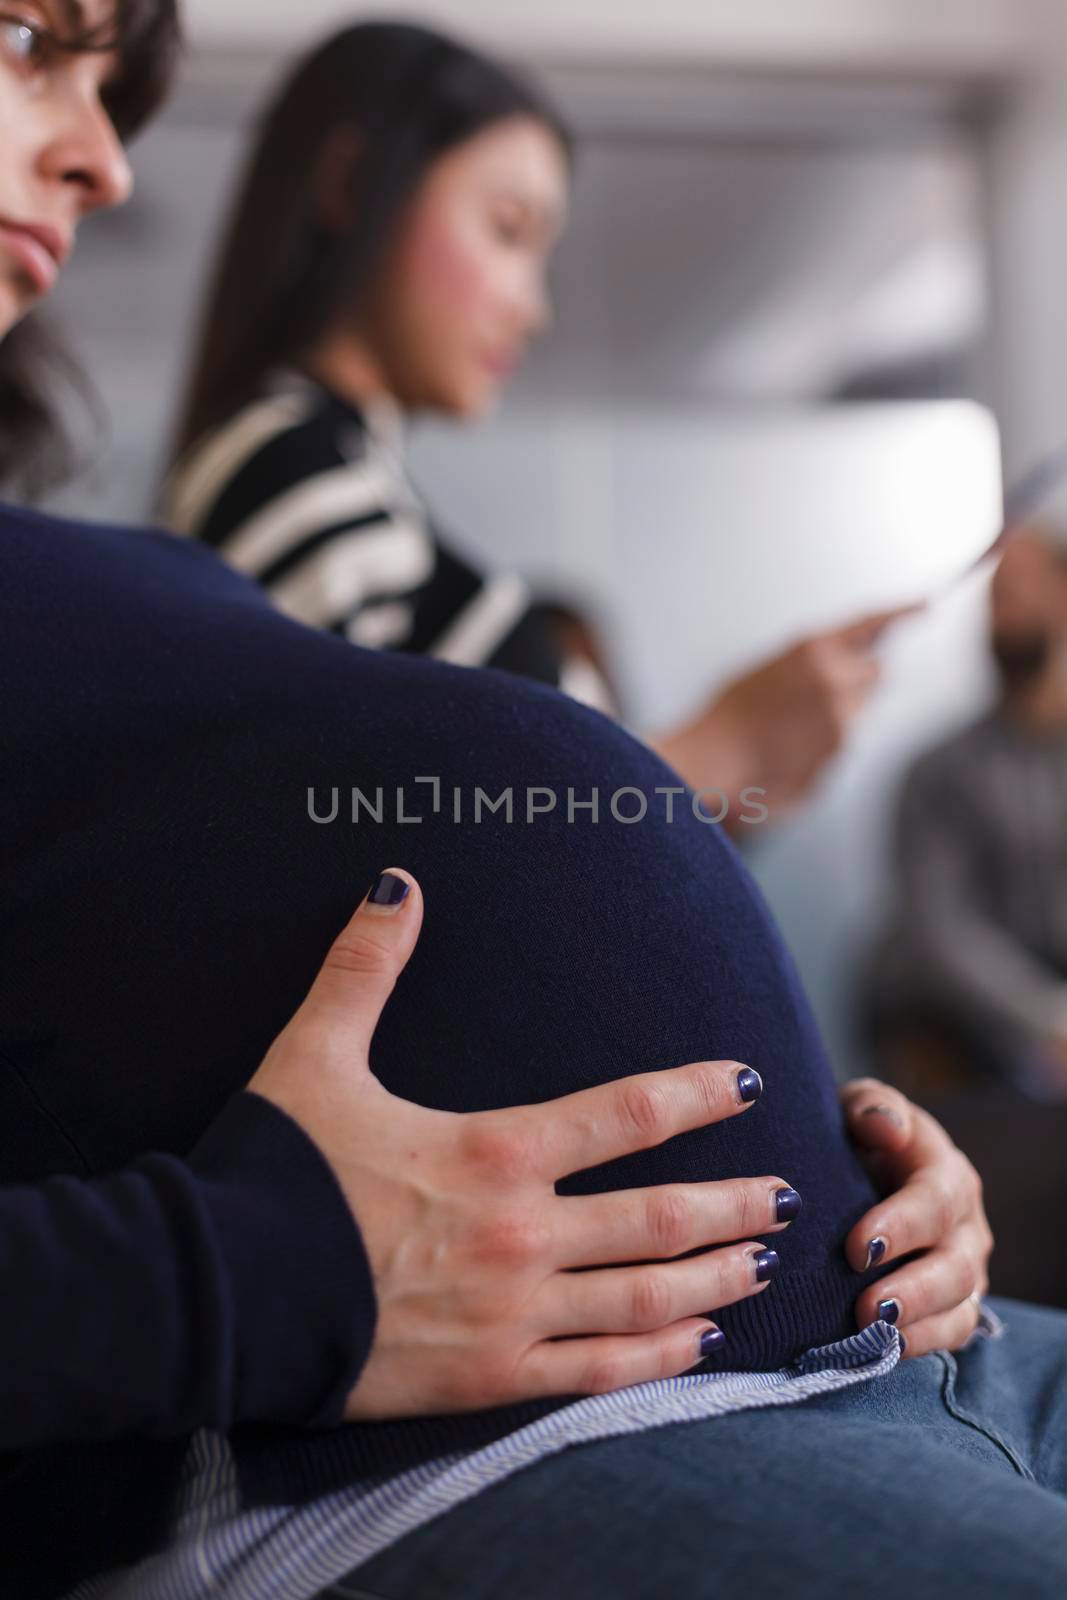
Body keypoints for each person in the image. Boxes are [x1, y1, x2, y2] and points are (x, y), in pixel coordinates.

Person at [1, 7, 1062, 1600]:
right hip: (477, 1441)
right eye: (26, 41)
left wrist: (849, 1167)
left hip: (861, 1338)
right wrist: (245, 1280)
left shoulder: (129, 566)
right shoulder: (281, 487)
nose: (106, 160)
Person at [161, 20, 911, 828]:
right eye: (507, 229)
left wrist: (727, 775)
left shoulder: (337, 477)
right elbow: (353, 839)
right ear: (353, 182)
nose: (533, 308)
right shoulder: (290, 471)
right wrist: (713, 750)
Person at [865, 526, 1067, 1100]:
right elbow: (939, 927)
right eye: (995, 593)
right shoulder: (940, 771)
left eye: (1024, 586)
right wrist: (1049, 1023)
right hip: (967, 1035)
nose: (1003, 610)